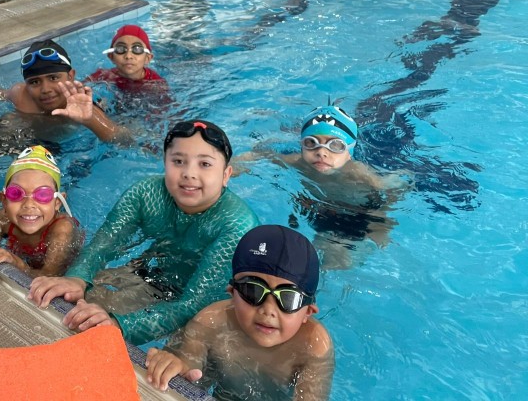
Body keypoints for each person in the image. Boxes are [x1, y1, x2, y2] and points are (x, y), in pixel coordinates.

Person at [27, 120, 260, 345]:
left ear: (226, 175)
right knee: (73, 300)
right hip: (154, 272)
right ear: (165, 163)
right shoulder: (146, 194)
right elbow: (103, 245)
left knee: (101, 322)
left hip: (208, 308)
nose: (189, 173)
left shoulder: (236, 225)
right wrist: (77, 277)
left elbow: (194, 304)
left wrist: (120, 326)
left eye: (205, 164)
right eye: (178, 161)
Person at [145, 225, 334, 400]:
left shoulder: (313, 346)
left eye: (288, 298)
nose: (268, 310)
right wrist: (175, 366)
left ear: (308, 312)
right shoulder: (210, 322)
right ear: (233, 293)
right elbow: (189, 368)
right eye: (253, 290)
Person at [234, 105, 410, 269]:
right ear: (302, 146)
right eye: (311, 143)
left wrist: (382, 213)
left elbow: (395, 187)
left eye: (335, 145)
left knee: (378, 248)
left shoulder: (358, 173)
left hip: (364, 212)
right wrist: (232, 167)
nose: (321, 152)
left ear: (349, 152)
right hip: (322, 210)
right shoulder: (296, 162)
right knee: (322, 261)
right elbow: (261, 155)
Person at [0, 39, 130, 154]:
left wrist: (90, 120)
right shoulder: (21, 95)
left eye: (53, 78)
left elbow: (124, 140)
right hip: (25, 136)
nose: (45, 89)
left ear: (71, 76)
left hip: (63, 147)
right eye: (35, 82)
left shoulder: (82, 106)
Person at [0, 145, 84, 277]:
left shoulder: (62, 229)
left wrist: (16, 262)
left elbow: (49, 276)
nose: (29, 205)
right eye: (16, 193)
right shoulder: (4, 219)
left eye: (43, 195)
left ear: (57, 203)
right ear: (4, 200)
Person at [87, 25, 167, 93]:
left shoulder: (156, 84)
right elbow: (81, 88)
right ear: (111, 56)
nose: (128, 56)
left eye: (137, 49)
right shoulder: (103, 75)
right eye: (120, 49)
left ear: (147, 58)